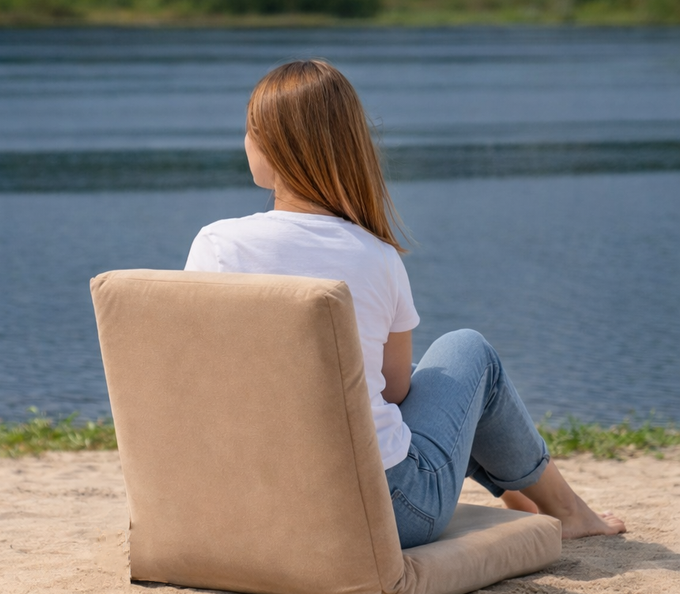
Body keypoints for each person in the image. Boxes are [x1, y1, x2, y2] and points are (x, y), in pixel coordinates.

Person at [185, 59, 625, 546]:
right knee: (465, 352)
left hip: (250, 500)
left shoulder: (216, 246)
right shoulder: (376, 257)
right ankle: (563, 507)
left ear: (269, 143)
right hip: (389, 510)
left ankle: (523, 488)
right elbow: (394, 390)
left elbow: (204, 378)